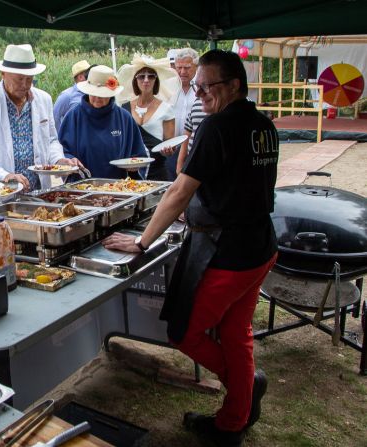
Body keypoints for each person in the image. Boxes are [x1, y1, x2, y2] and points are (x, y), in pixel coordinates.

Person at [104, 50, 278, 447]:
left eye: (207, 86)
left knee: (186, 332)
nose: (199, 93)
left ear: (235, 84)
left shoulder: (218, 127)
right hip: (259, 245)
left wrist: (141, 241)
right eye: (196, 86)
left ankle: (244, 389)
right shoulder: (263, 124)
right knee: (236, 331)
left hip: (229, 252)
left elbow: (181, 189)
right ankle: (234, 420)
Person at [0, 44, 80, 193]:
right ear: (3, 73)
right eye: (19, 79)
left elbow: (51, 140)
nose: (25, 85)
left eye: (29, 79)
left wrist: (58, 160)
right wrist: (5, 175)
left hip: (37, 193)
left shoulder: (43, 99)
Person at [58, 65, 148, 179]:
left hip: (119, 188)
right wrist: (69, 160)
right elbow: (61, 151)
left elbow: (139, 155)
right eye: (93, 93)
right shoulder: (73, 116)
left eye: (102, 94)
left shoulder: (124, 118)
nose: (97, 98)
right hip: (80, 188)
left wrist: (135, 166)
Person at [118, 55, 177, 180]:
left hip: (157, 172)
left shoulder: (166, 108)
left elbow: (170, 145)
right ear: (135, 79)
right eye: (141, 76)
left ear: (156, 80)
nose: (146, 80)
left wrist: (168, 150)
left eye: (151, 76)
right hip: (131, 174)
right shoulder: (124, 107)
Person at [53, 59, 91, 131]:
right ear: (80, 77)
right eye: (89, 73)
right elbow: (55, 117)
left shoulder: (93, 95)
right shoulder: (67, 95)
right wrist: (61, 137)